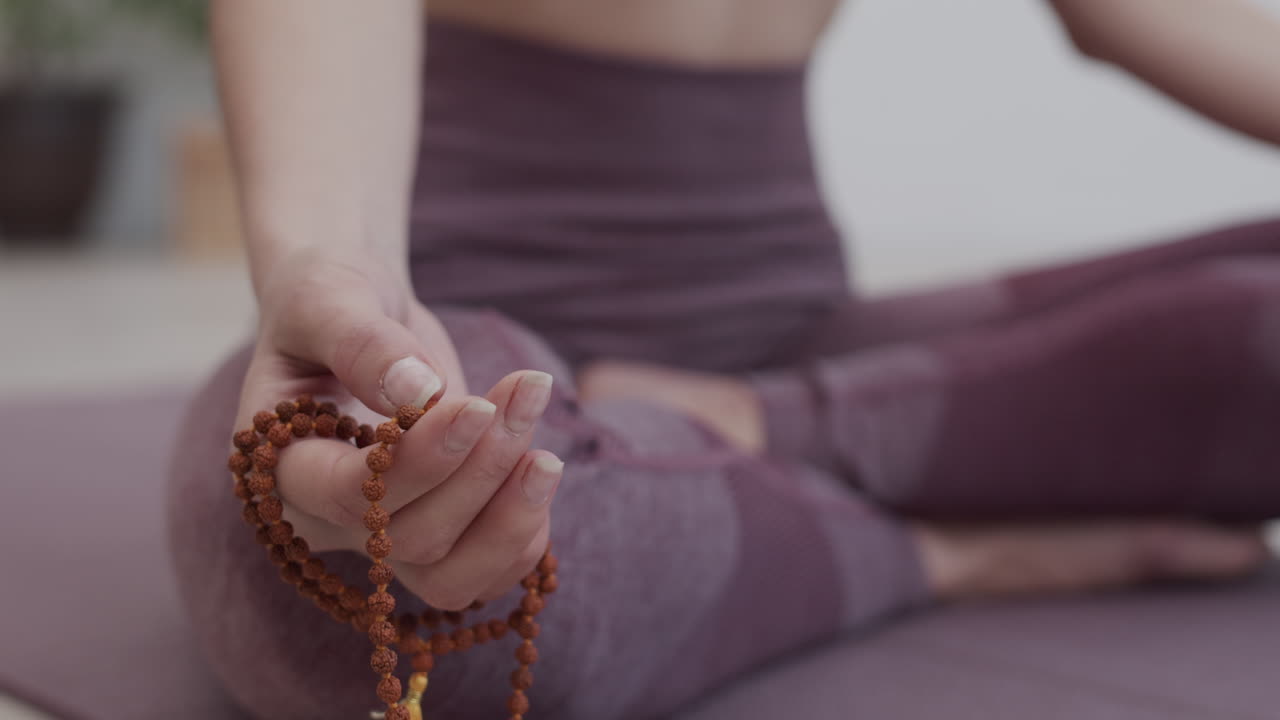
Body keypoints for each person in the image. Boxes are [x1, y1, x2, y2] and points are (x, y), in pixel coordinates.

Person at [169, 1, 1280, 717]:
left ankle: (769, 436)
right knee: (407, 580)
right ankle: (936, 546)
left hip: (791, 334)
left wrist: (783, 408)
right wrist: (343, 281)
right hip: (460, 325)